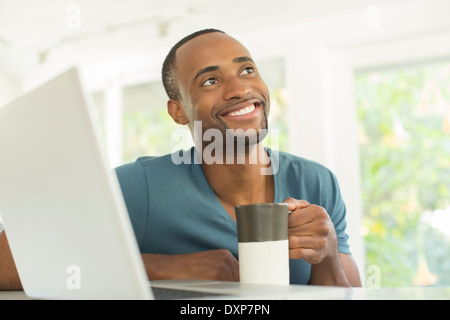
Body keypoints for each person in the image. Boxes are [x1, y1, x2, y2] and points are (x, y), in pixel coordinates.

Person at [0, 29, 361, 290]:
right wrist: (162, 267)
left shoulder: (317, 182)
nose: (239, 89)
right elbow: (12, 261)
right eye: (209, 81)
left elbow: (348, 291)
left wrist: (328, 255)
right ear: (178, 111)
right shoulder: (141, 187)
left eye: (247, 70)